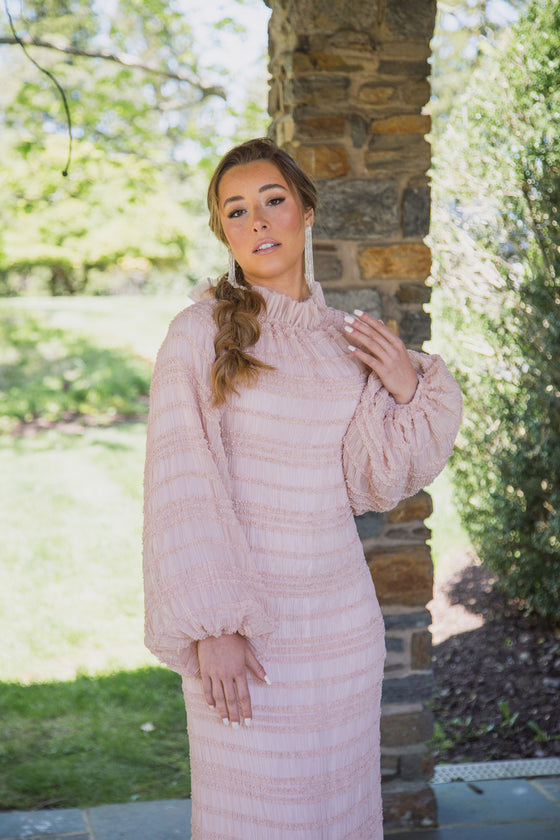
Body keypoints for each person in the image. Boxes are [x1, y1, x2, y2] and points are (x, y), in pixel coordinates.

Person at [143, 137, 462, 840]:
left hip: (341, 633)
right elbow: (179, 487)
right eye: (236, 211)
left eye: (273, 201)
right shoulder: (197, 336)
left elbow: (370, 482)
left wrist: (409, 390)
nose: (257, 221)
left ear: (307, 212)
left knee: (336, 820)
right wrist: (215, 625)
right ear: (223, 233)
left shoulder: (342, 341)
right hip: (247, 639)